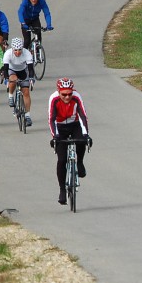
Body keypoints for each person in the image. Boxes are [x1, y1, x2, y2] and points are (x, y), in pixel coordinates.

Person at [48, 77, 91, 205]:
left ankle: (80, 162)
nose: (67, 97)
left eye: (69, 94)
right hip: (60, 127)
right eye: (64, 94)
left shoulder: (77, 96)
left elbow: (83, 116)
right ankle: (62, 190)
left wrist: (86, 135)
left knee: (81, 140)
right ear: (58, 91)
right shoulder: (54, 98)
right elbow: (51, 119)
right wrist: (55, 136)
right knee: (61, 160)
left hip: (74, 124)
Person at [3, 37, 36, 127]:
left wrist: (31, 78)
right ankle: (10, 95)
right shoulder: (8, 53)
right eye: (15, 50)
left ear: (22, 49)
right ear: (12, 49)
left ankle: (28, 115)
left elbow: (30, 68)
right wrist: (6, 79)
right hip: (12, 70)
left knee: (26, 92)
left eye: (20, 50)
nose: (17, 52)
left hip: (23, 71)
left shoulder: (27, 53)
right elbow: (5, 69)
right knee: (13, 79)